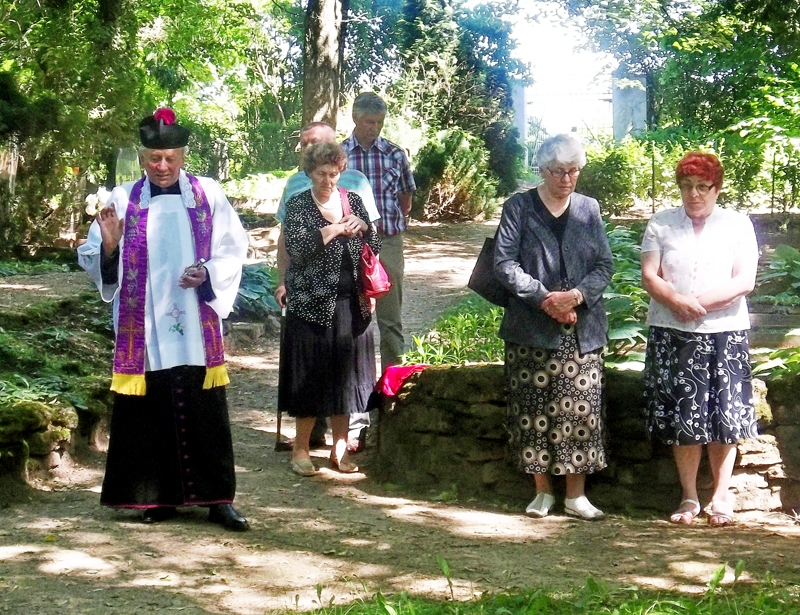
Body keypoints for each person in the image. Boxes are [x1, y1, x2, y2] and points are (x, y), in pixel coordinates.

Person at [77, 108, 250, 531]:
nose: (163, 167)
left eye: (171, 158)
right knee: (150, 406)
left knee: (205, 406)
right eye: (154, 159)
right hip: (146, 325)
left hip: (195, 320)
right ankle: (157, 495)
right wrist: (110, 246)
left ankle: (217, 498)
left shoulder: (207, 194)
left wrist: (207, 272)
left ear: (184, 155)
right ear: (142, 158)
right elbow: (92, 253)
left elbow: (234, 246)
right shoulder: (121, 199)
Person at [494, 134, 613, 520]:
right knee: (532, 408)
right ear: (542, 170)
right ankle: (542, 492)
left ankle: (576, 496)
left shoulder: (589, 208)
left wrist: (575, 297)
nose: (567, 178)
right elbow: (504, 264)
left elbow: (604, 266)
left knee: (581, 411)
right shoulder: (518, 207)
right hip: (531, 326)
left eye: (574, 170)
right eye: (559, 171)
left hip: (581, 328)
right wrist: (546, 299)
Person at [641, 151, 759, 526]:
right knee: (683, 416)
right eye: (686, 186)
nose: (694, 194)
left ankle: (721, 497)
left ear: (717, 188)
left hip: (724, 332)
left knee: (724, 414)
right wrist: (674, 300)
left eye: (703, 187)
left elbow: (744, 280)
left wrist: (695, 304)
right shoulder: (661, 223)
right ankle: (689, 497)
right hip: (672, 332)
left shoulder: (738, 225)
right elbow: (649, 275)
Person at [274, 122, 380, 451]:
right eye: (321, 173)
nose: (328, 180)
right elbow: (297, 247)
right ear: (310, 173)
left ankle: (338, 450)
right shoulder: (298, 205)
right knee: (310, 379)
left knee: (344, 380)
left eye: (333, 173)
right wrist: (332, 230)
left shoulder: (354, 200)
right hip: (310, 304)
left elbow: (374, 247)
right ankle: (302, 450)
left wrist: (364, 228)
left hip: (351, 304)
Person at [343, 92, 416, 371]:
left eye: (379, 122)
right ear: (355, 119)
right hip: (349, 243)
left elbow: (406, 200)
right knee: (349, 315)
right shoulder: (340, 155)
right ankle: (351, 387)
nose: (373, 127)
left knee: (390, 318)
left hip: (388, 241)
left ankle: (392, 388)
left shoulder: (395, 155)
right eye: (368, 122)